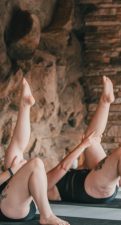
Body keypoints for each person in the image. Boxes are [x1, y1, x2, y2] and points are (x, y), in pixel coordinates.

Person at [46, 76, 121, 210]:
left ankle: (105, 101)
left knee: (92, 140)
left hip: (93, 178)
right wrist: (82, 145)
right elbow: (62, 167)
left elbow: (120, 163)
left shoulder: (42, 178)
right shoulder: (42, 185)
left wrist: (87, 146)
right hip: (93, 190)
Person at [0, 78, 69, 225]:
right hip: (6, 207)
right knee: (35, 164)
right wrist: (12, 172)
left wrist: (11, 171)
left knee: (16, 150)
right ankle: (47, 215)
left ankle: (25, 105)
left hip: (10, 195)